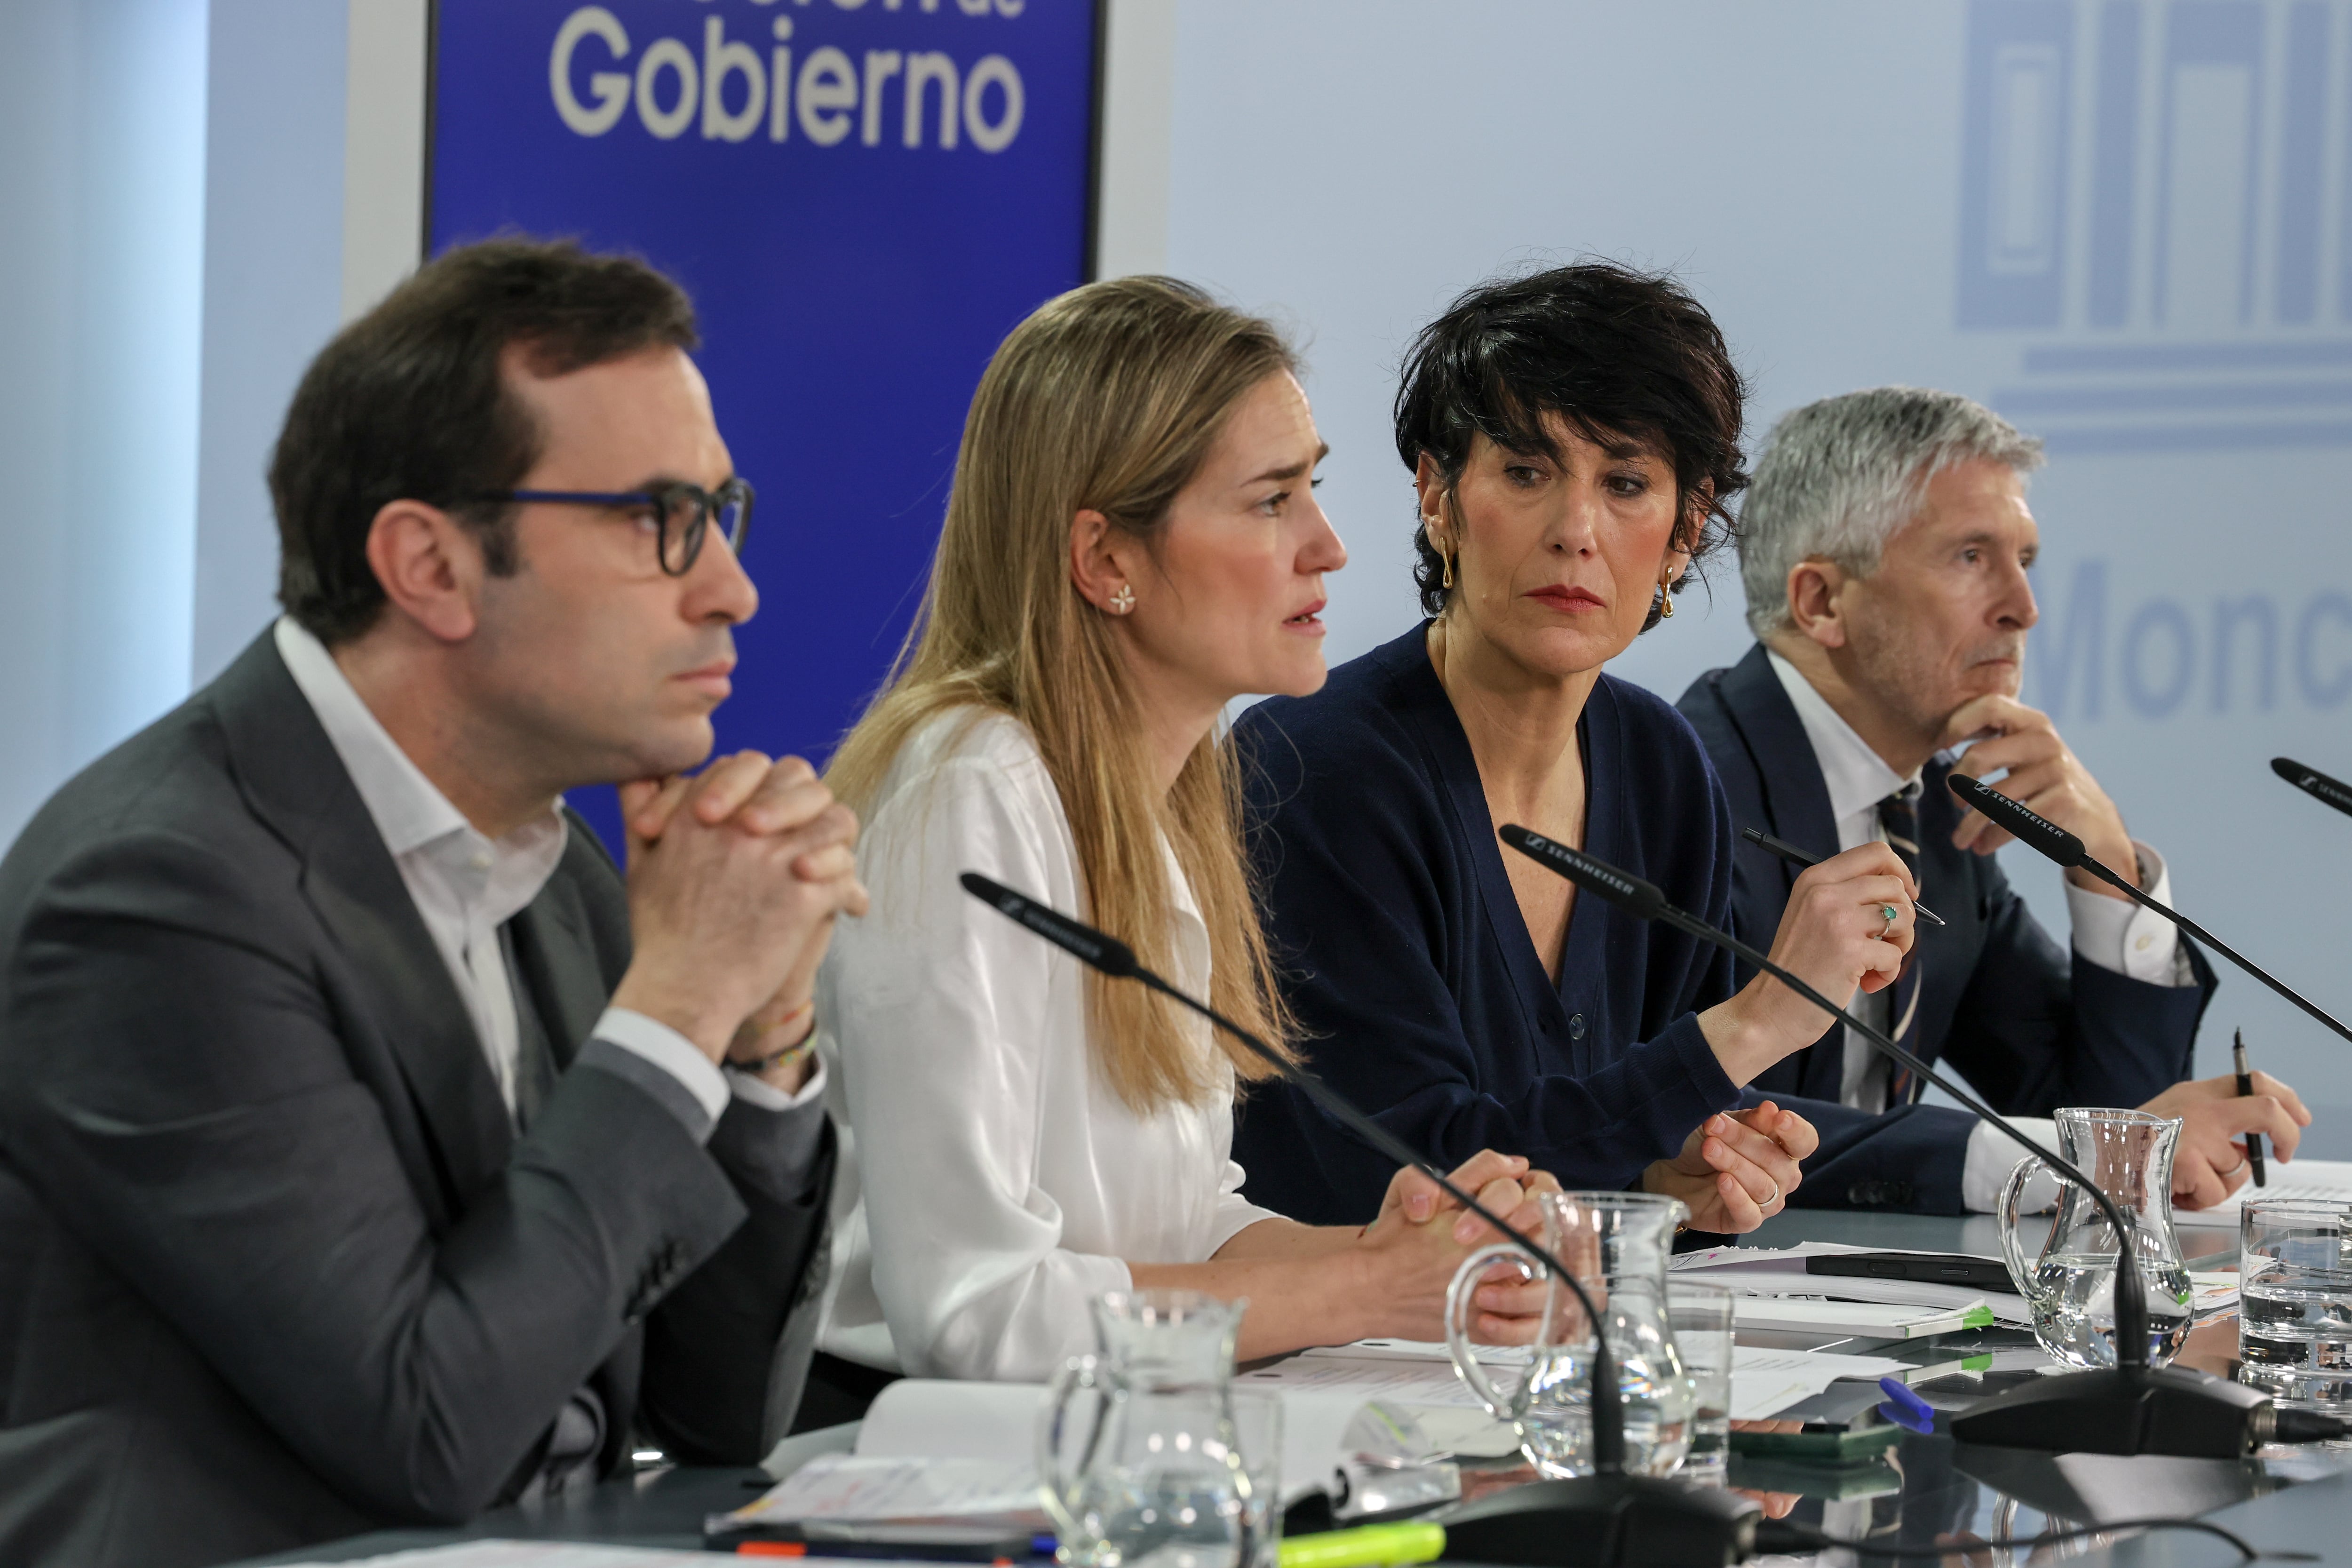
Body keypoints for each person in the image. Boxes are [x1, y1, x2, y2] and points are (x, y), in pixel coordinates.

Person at [0, 240, 863, 1568]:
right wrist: (683, 998)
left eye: (721, 512)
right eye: (659, 521)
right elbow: (431, 1429)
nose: (731, 587)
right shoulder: (154, 896)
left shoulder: (558, 869)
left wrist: (761, 1036)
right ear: (432, 565)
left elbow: (720, 1413)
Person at [810, 277, 1567, 1400]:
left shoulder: (1159, 793)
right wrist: (1368, 1290)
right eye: (1270, 502)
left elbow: (1184, 1223)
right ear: (1106, 559)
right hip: (925, 1471)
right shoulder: (970, 793)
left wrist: (1430, 1260)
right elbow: (971, 1310)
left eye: (1312, 487)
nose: (1330, 546)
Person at [1231, 262, 1915, 1229]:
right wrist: (1757, 1019)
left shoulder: (1664, 767)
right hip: (1331, 1359)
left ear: (1683, 532)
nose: (1575, 531)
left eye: (1626, 483)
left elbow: (1629, 1133)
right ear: (1438, 497)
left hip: (1557, 1346)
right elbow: (1405, 1176)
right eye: (1525, 471)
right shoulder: (1315, 763)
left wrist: (1675, 1174)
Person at [1677, 386, 2309, 1212]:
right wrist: (2093, 1151)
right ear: (1823, 601)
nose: (2025, 608)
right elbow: (1689, 1115)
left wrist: (2108, 867)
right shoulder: (1684, 788)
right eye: (1971, 557)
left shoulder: (1933, 812)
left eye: (2026, 560)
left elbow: (2096, 1110)